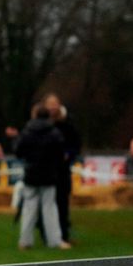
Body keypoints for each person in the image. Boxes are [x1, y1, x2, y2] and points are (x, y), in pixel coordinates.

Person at [14, 101, 71, 252]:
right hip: (49, 174)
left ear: (34, 115)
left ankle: (25, 241)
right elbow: (61, 154)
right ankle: (54, 241)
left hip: (31, 174)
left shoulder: (27, 132)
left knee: (29, 208)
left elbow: (18, 151)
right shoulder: (54, 132)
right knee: (50, 208)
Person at [44, 94, 81, 244]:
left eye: (55, 104)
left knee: (62, 203)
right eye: (50, 104)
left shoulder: (68, 123)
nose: (53, 107)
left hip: (62, 170)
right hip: (46, 171)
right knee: (47, 204)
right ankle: (47, 234)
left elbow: (76, 144)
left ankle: (63, 234)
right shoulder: (42, 124)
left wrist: (68, 155)